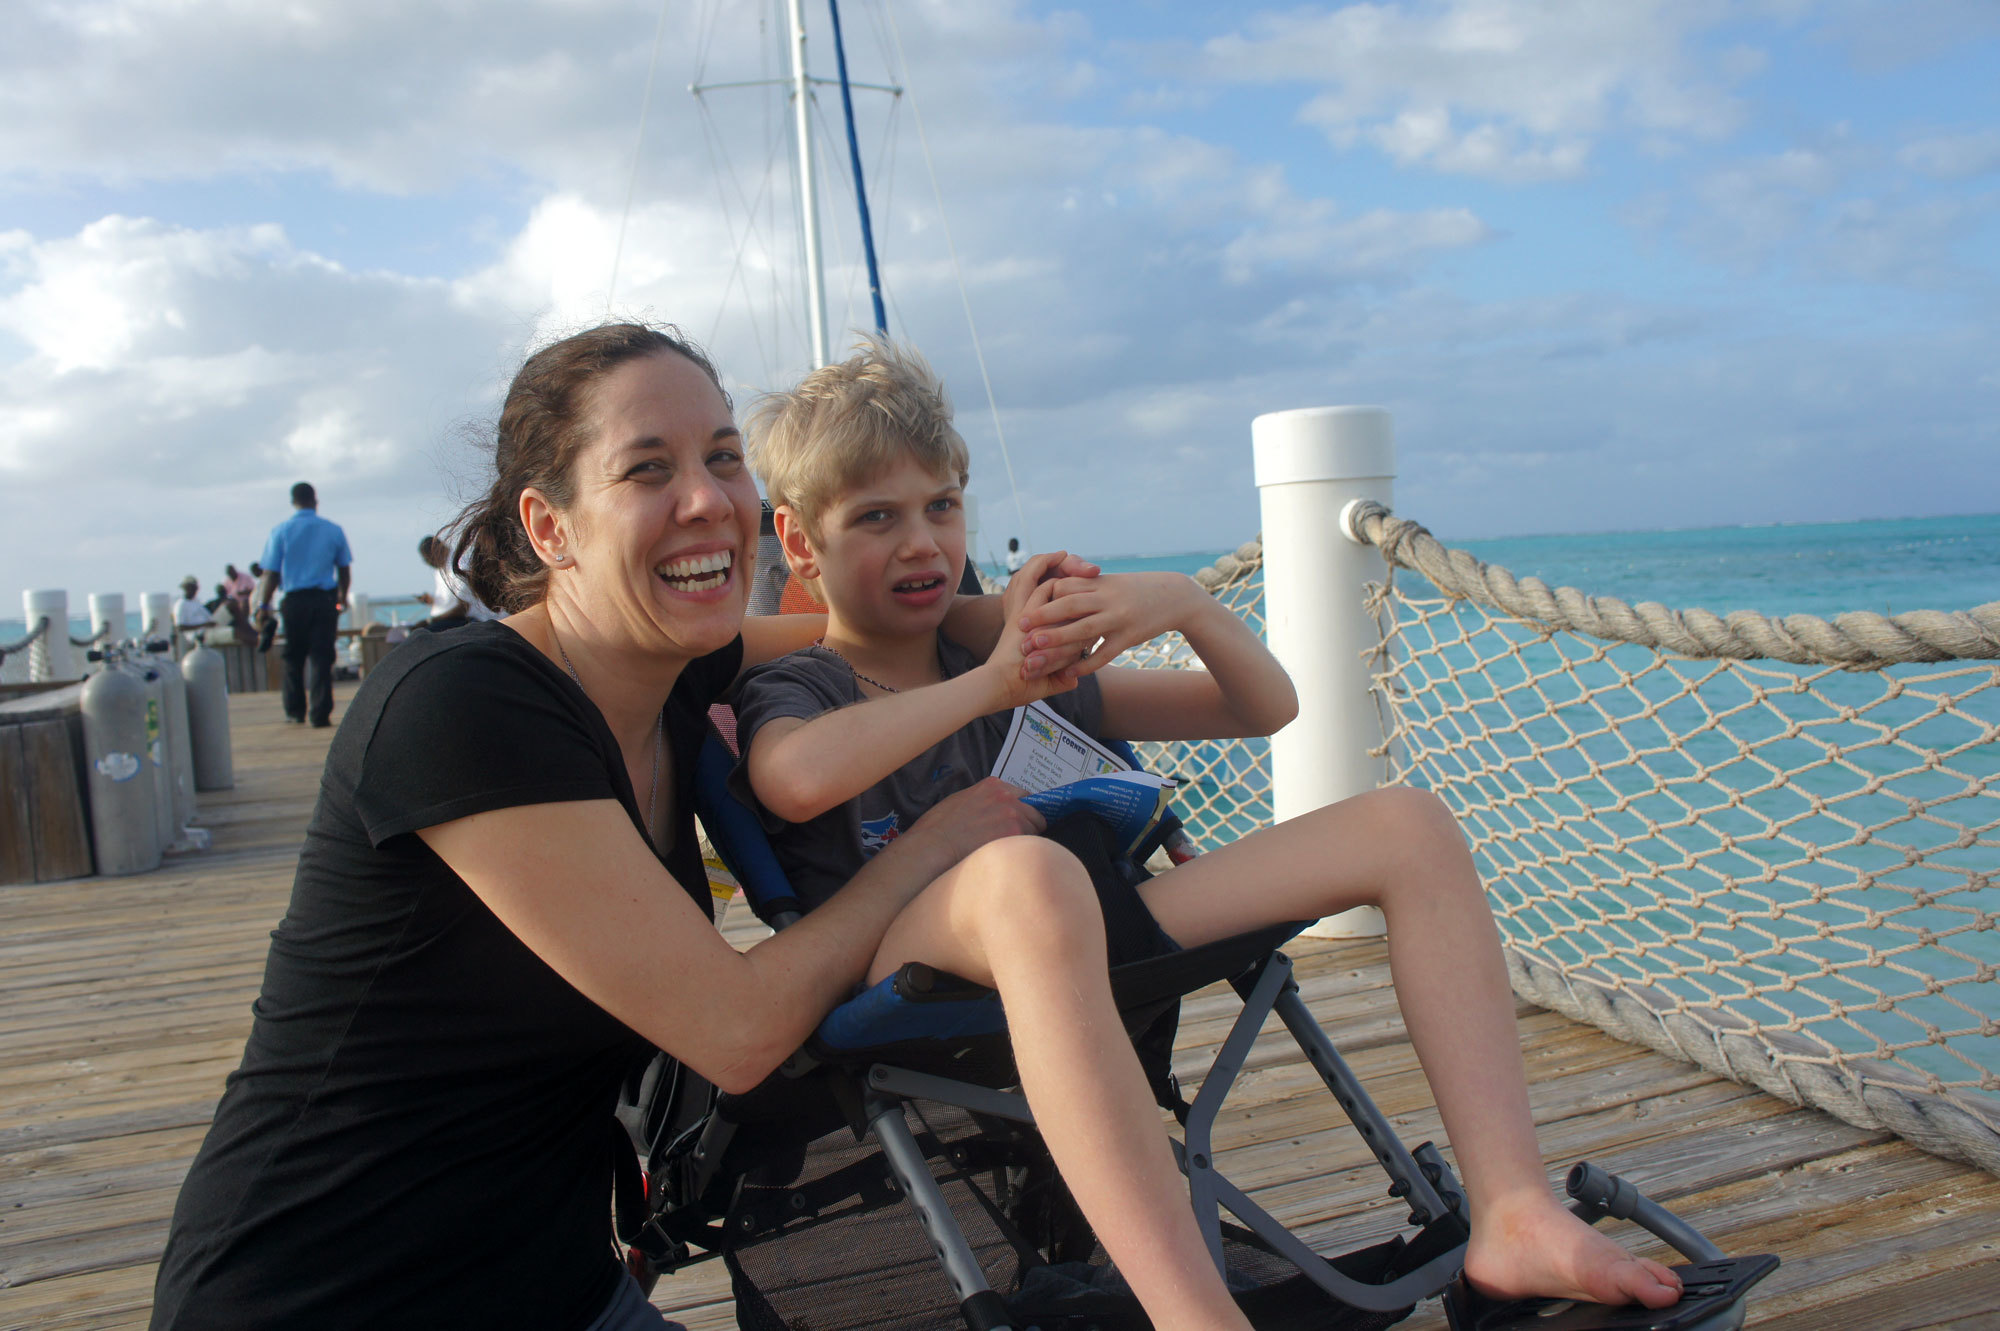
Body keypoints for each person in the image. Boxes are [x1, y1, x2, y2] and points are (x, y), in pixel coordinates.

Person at [149, 323, 1091, 1331]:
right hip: (328, 1292)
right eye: (649, 469)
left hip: (555, 1284)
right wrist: (929, 848)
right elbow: (735, 1030)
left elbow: (886, 626)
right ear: (550, 529)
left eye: (723, 458)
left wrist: (1115, 604)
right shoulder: (463, 704)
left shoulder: (677, 676)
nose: (708, 499)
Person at [731, 339, 1685, 1329]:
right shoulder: (807, 681)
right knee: (1024, 875)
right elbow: (794, 779)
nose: (921, 541)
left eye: (939, 506)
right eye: (875, 517)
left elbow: (1260, 707)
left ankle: (1513, 1217)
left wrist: (1185, 602)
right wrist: (992, 683)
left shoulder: (1008, 655)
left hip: (1078, 921)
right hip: (903, 958)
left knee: (1405, 823)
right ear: (800, 546)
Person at [254, 482, 352, 727]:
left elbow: (271, 574)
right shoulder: (333, 530)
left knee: (293, 657)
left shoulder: (280, 531)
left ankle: (295, 711)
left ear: (293, 502)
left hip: (294, 601)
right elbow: (344, 569)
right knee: (322, 656)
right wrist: (342, 596)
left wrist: (263, 606)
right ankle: (320, 714)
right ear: (315, 501)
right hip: (324, 600)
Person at [414, 531, 496, 630]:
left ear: (437, 549)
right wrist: (431, 600)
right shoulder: (441, 570)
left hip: (472, 619)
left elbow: (463, 608)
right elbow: (450, 600)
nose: (428, 563)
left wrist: (430, 621)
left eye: (429, 559)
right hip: (450, 617)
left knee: (425, 633)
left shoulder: (460, 566)